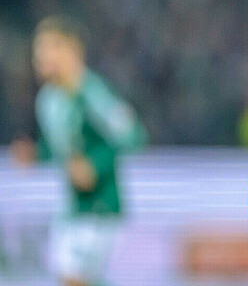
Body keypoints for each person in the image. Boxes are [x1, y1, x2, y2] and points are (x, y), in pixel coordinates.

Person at [11, 16, 147, 286]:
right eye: (39, 48)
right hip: (71, 208)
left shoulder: (92, 92)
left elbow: (133, 135)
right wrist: (37, 154)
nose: (40, 55)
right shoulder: (48, 99)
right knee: (74, 279)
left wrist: (94, 166)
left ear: (71, 50)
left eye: (50, 46)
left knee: (75, 279)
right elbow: (60, 146)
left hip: (100, 207)